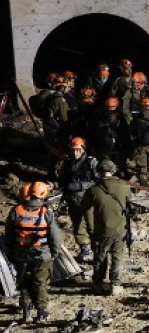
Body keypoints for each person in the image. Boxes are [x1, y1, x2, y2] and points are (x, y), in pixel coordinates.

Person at [4, 182, 64, 323]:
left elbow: (9, 236)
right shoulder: (46, 213)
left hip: (21, 254)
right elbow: (55, 237)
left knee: (24, 281)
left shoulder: (16, 211)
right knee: (39, 282)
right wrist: (55, 253)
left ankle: (26, 310)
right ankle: (42, 312)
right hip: (42, 254)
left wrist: (11, 253)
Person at [82, 159, 132, 296]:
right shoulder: (123, 186)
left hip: (101, 229)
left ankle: (98, 284)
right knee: (117, 256)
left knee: (100, 257)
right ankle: (115, 285)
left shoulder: (93, 190)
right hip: (120, 228)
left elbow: (85, 208)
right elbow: (130, 203)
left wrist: (90, 228)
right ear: (114, 171)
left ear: (98, 172)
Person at [58, 136, 99, 261]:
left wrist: (82, 185)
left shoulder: (91, 162)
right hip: (72, 200)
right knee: (77, 226)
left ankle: (97, 252)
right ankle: (84, 249)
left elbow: (98, 180)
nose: (75, 153)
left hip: (88, 200)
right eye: (73, 150)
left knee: (92, 227)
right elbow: (63, 181)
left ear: (83, 149)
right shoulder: (67, 163)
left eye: (78, 150)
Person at [92, 96, 128, 168]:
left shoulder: (121, 115)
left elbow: (125, 128)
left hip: (118, 140)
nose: (111, 110)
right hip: (105, 141)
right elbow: (97, 128)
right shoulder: (100, 114)